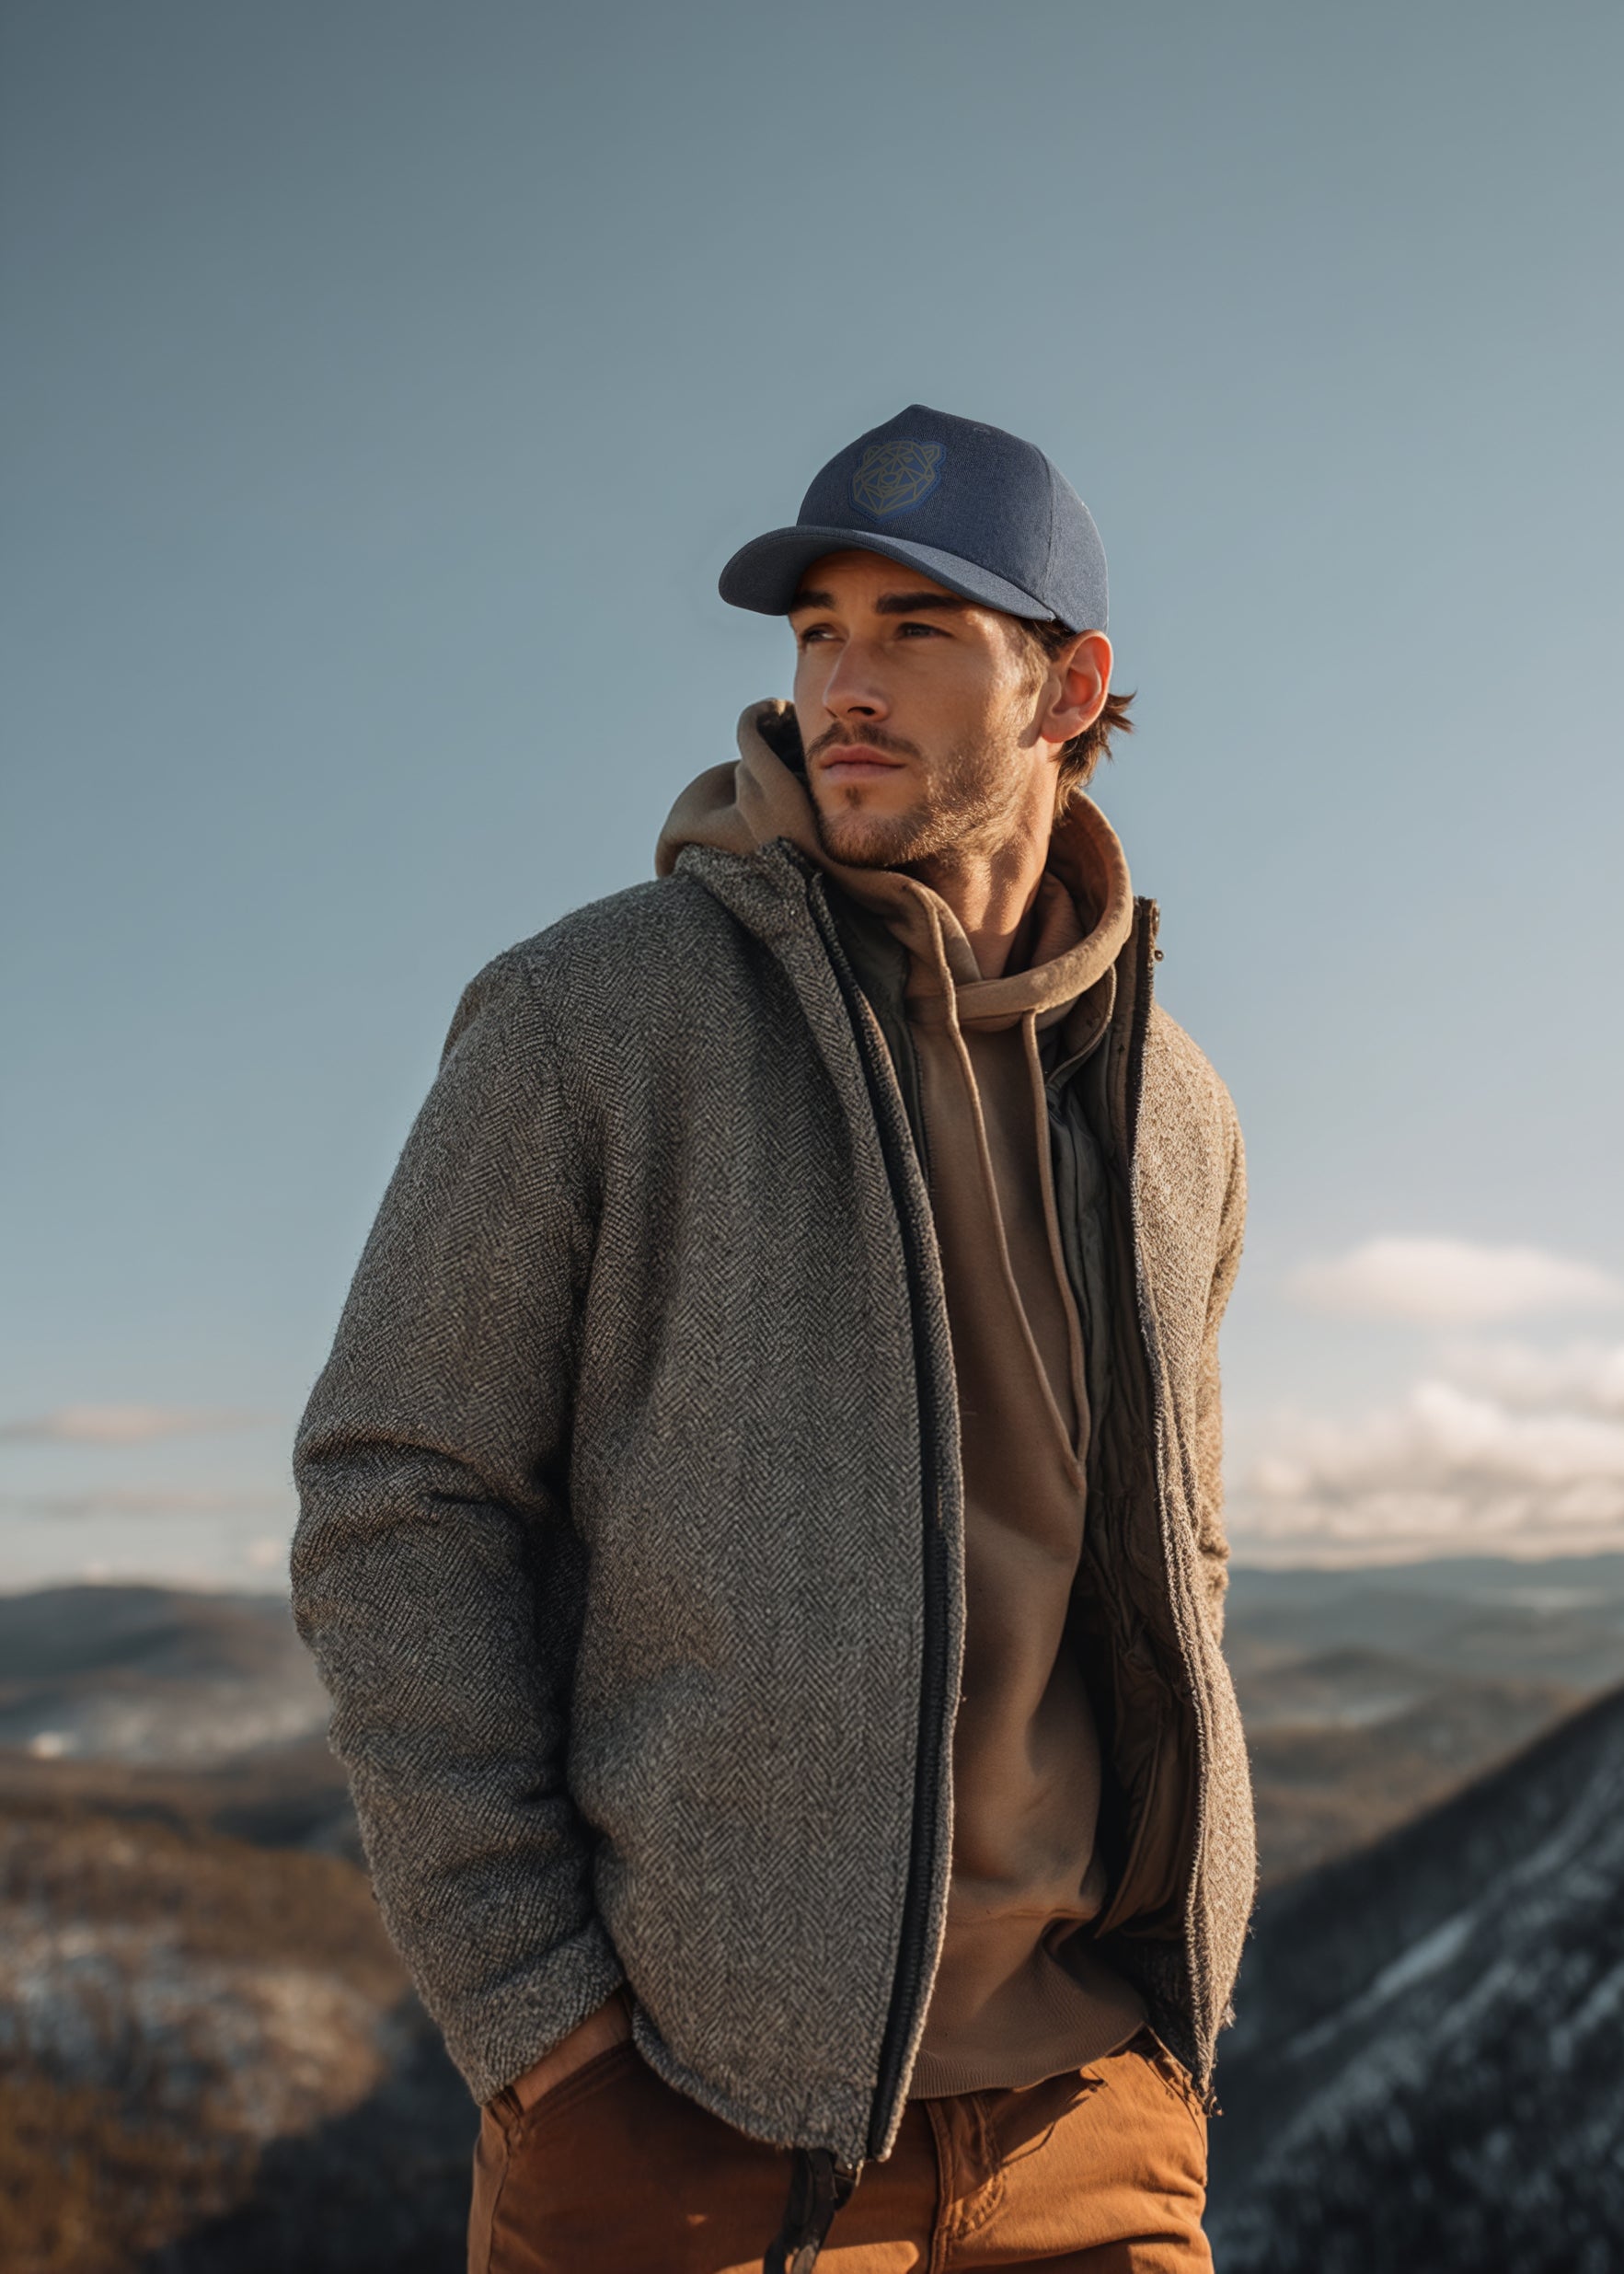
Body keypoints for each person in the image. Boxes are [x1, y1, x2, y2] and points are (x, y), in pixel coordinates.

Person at [292, 403, 1255, 2273]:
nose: (846, 684)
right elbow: (395, 1492)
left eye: (916, 629)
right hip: (687, 2127)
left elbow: (1184, 1554)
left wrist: (1170, 2015)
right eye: (819, 630)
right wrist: (544, 2025)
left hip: (1090, 2125)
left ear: (1069, 688)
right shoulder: (597, 1017)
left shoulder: (1177, 1113)